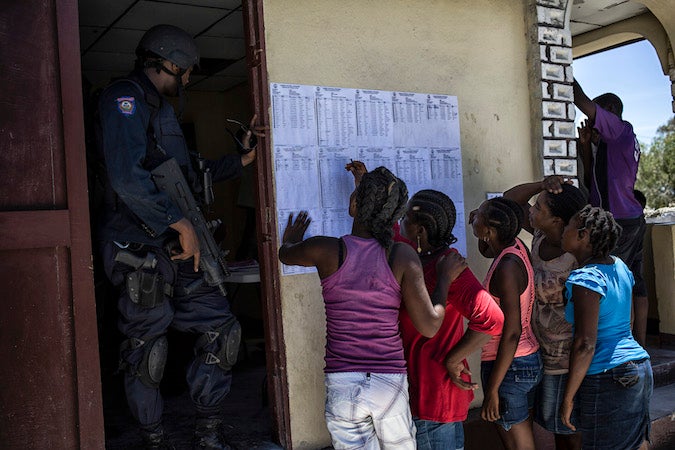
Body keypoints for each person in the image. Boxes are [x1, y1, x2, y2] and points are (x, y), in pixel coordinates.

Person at [96, 24, 264, 449]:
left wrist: (240, 160)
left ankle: (206, 433)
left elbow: (187, 174)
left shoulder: (163, 111)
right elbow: (127, 178)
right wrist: (180, 223)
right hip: (139, 250)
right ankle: (153, 439)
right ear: (168, 63)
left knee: (222, 332)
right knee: (146, 350)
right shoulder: (125, 100)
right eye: (186, 71)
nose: (188, 79)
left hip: (180, 249)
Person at [278, 166, 462, 450]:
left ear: (354, 205)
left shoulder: (326, 250)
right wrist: (445, 280)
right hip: (388, 381)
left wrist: (291, 239)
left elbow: (286, 254)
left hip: (343, 383)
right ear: (396, 218)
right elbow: (430, 326)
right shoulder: (401, 255)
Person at [397, 189, 505, 450]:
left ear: (420, 231)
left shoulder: (449, 267)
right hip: (426, 392)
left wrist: (453, 358)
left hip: (433, 394)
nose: (400, 221)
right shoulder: (416, 255)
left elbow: (493, 320)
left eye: (405, 218)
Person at [504, 177, 587, 449]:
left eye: (539, 208)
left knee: (569, 429)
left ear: (558, 222)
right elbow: (510, 199)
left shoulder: (576, 257)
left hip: (566, 360)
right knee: (550, 424)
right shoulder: (539, 236)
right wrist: (542, 185)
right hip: (540, 355)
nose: (533, 210)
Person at [560, 205, 653, 450]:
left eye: (568, 225)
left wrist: (568, 398)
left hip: (609, 376)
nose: (563, 230)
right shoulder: (620, 267)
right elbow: (629, 322)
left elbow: (585, 344)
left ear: (584, 235)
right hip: (639, 367)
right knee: (635, 443)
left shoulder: (586, 279)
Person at [574, 78, 648, 347]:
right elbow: (594, 179)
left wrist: (561, 70)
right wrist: (585, 147)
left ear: (609, 112)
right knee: (636, 282)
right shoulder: (612, 142)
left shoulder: (618, 129)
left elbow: (580, 101)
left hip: (620, 221)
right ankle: (638, 343)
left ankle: (624, 347)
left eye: (598, 115)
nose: (593, 123)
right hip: (629, 217)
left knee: (620, 283)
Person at [470, 197, 542, 450]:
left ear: (489, 231)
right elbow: (487, 249)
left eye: (479, 214)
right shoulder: (514, 247)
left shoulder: (507, 269)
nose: (475, 214)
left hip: (510, 366)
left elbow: (512, 332)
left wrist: (492, 390)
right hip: (523, 361)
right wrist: (479, 227)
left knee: (518, 445)